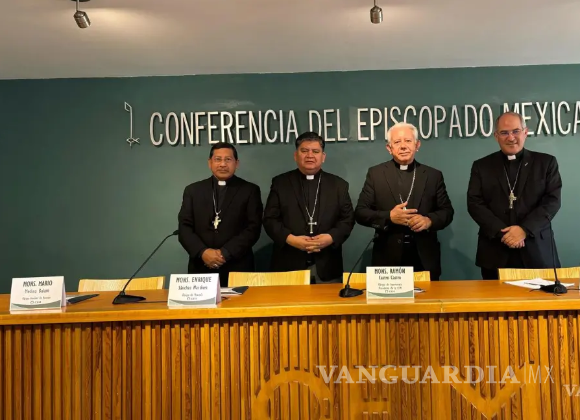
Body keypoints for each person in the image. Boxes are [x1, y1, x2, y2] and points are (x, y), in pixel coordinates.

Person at [467, 112, 563, 280]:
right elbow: (475, 203)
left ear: (525, 132)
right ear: (496, 136)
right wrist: (504, 233)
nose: (511, 137)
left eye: (516, 131)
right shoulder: (481, 166)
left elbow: (552, 202)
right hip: (495, 250)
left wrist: (524, 230)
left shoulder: (546, 163)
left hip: (537, 250)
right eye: (504, 132)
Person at [354, 122, 454, 281]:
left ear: (417, 145)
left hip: (424, 257)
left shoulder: (433, 175)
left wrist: (428, 221)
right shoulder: (376, 174)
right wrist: (389, 217)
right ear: (389, 148)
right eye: (397, 142)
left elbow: (447, 212)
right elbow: (360, 213)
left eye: (408, 141)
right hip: (387, 258)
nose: (403, 146)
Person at [263, 132, 355, 284]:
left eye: (315, 151)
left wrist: (330, 238)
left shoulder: (339, 185)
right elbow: (270, 219)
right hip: (289, 264)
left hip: (327, 265)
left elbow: (348, 219)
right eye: (304, 151)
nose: (310, 155)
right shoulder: (281, 183)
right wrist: (291, 239)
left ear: (323, 157)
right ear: (295, 155)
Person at [177, 143, 263, 287]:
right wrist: (203, 252)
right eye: (218, 159)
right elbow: (184, 227)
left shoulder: (249, 190)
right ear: (209, 163)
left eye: (228, 159)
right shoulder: (193, 191)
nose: (223, 164)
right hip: (201, 267)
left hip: (237, 266)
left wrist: (225, 253)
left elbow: (253, 228)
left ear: (236, 163)